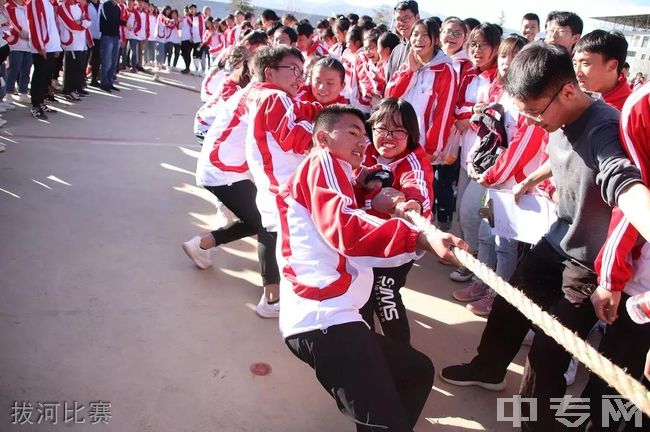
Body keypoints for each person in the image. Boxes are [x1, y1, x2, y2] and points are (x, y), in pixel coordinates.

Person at [440, 42, 647, 432]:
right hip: (557, 240)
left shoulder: (606, 127)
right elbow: (561, 156)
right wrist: (532, 178)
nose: (533, 122)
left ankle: (537, 424)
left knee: (547, 353)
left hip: (592, 264)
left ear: (567, 91)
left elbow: (624, 182)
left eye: (536, 113)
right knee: (510, 303)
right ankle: (488, 368)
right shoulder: (558, 117)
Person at [279, 103, 466, 432]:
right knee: (386, 419)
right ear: (322, 139)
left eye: (366, 136)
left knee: (416, 372)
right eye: (354, 133)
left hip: (336, 315)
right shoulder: (322, 161)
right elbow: (345, 227)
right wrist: (420, 238)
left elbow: (405, 191)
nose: (365, 142)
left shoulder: (345, 172)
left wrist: (371, 188)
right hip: (323, 319)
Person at [456, 35, 546, 316]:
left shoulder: (529, 99)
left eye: (514, 57)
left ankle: (498, 295)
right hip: (494, 180)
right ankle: (482, 281)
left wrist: (494, 174)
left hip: (515, 184)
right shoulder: (500, 91)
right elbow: (489, 136)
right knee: (484, 233)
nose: (507, 62)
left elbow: (524, 146)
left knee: (505, 245)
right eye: (504, 56)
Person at [583, 82, 650, 432]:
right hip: (643, 284)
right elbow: (631, 200)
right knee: (613, 379)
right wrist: (611, 278)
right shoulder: (644, 106)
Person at [244, 45, 322, 317]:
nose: (300, 78)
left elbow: (293, 112)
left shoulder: (260, 93)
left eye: (302, 72)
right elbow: (294, 140)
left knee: (278, 240)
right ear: (270, 72)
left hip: (270, 185)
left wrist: (311, 110)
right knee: (292, 248)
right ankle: (281, 304)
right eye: (293, 70)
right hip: (283, 188)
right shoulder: (276, 98)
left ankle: (275, 299)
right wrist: (321, 129)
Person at [358, 98, 434, 344]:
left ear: (411, 135)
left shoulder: (415, 160)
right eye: (381, 128)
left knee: (385, 294)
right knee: (360, 294)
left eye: (398, 130)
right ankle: (368, 348)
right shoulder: (362, 150)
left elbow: (417, 186)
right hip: (365, 239)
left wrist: (413, 204)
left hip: (398, 245)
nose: (388, 136)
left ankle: (401, 354)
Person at [452, 23, 500, 283]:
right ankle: (469, 260)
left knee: (475, 213)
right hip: (466, 154)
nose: (477, 50)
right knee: (463, 210)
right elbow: (457, 109)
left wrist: (472, 115)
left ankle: (475, 267)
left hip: (489, 163)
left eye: (483, 45)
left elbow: (494, 118)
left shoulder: (498, 79)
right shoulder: (470, 74)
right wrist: (474, 112)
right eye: (473, 44)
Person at [573, 30, 630, 111]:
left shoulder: (629, 112)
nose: (577, 73)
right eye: (575, 64)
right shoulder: (570, 97)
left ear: (612, 65)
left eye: (585, 64)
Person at [26, 0, 62, 119]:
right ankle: (35, 106)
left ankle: (41, 103)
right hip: (42, 47)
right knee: (39, 76)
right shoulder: (36, 2)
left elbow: (52, 25)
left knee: (45, 77)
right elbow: (34, 24)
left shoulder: (48, 3)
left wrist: (57, 46)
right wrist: (39, 46)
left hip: (51, 46)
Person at [57, 0, 91, 101]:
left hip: (80, 42)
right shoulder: (63, 6)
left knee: (78, 67)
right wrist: (82, 26)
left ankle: (75, 88)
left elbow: (88, 21)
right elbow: (71, 25)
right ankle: (68, 90)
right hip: (71, 42)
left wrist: (81, 22)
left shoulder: (79, 5)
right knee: (71, 67)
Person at [5, 0, 32, 102]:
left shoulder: (27, 6)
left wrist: (32, 35)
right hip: (16, 44)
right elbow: (12, 22)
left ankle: (23, 92)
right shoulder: (9, 6)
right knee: (14, 69)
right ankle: (8, 92)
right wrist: (22, 33)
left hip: (28, 44)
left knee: (26, 69)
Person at [385, 0, 418, 82]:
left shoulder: (423, 49)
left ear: (417, 17)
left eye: (406, 18)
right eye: (398, 19)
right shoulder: (396, 50)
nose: (402, 23)